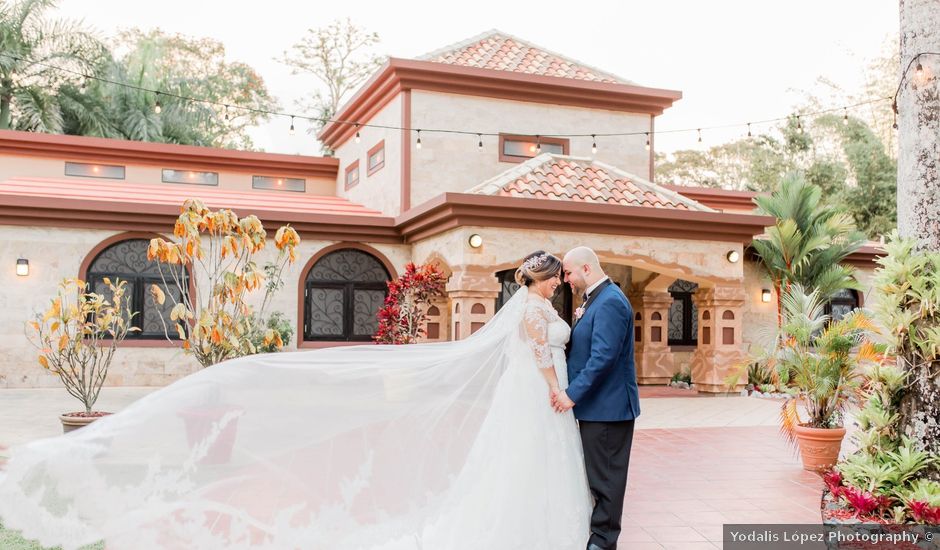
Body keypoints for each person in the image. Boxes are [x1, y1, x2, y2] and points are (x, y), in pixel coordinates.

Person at [0, 251, 591, 550]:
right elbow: (541, 358)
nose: (561, 280)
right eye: (556, 276)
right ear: (543, 280)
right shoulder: (538, 312)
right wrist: (557, 392)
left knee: (517, 461)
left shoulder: (533, 308)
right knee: (522, 461)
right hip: (541, 400)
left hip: (534, 404)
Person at [556, 246, 639, 550]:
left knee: (607, 481)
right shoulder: (596, 300)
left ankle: (603, 543)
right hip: (598, 408)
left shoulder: (610, 302)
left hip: (609, 409)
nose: (566, 279)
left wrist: (571, 395)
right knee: (598, 477)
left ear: (586, 269)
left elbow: (603, 357)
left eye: (568, 272)